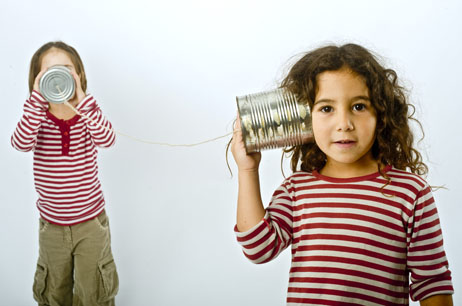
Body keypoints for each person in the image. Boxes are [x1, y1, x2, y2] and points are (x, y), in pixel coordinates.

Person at [231, 43, 454, 305]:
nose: (344, 124)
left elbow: (432, 283)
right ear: (304, 119)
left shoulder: (411, 193)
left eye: (359, 107)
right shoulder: (296, 189)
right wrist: (248, 170)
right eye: (326, 108)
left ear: (381, 114)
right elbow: (258, 248)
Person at [11, 41, 118, 305]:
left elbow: (108, 139)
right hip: (52, 227)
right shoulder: (37, 117)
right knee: (54, 289)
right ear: (37, 79)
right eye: (49, 70)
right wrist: (36, 101)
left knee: (93, 289)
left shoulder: (87, 115)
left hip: (90, 223)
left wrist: (83, 101)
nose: (58, 75)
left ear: (79, 75)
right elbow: (20, 142)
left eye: (67, 69)